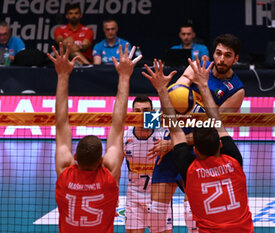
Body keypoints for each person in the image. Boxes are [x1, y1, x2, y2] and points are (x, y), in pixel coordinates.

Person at [145, 33, 245, 233]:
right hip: (172, 137)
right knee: (156, 213)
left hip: (199, 149)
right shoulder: (197, 67)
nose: (221, 59)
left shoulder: (236, 91)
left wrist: (173, 143)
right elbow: (175, 96)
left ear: (236, 59)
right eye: (218, 53)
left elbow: (215, 130)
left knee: (193, 213)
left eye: (227, 55)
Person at [48, 42, 141, 233]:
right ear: (101, 160)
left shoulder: (65, 174)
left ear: (74, 157)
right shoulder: (108, 177)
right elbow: (118, 125)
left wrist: (62, 75)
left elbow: (61, 124)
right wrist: (124, 76)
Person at [123, 96, 172, 233]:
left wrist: (170, 144)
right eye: (137, 111)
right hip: (134, 195)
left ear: (153, 112)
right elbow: (114, 170)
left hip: (160, 196)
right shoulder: (125, 137)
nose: (142, 114)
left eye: (146, 110)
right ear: (132, 113)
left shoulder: (163, 135)